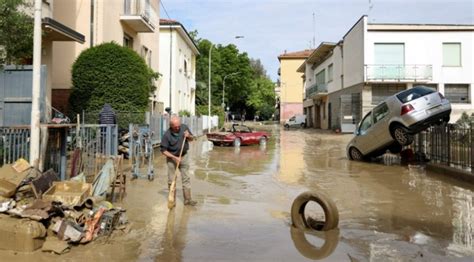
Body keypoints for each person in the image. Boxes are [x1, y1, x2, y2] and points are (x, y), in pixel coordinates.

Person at [160, 116, 197, 206]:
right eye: (175, 127)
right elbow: (163, 151)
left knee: (186, 178)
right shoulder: (167, 135)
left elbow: (192, 139)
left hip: (184, 156)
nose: (178, 128)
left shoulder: (184, 127)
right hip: (171, 159)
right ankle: (172, 201)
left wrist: (188, 136)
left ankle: (188, 200)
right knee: (171, 180)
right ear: (171, 126)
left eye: (178, 126)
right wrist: (174, 158)